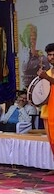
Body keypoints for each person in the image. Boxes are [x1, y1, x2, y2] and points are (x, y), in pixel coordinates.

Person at [37, 43, 54, 173]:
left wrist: (46, 78)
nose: (51, 57)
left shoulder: (47, 75)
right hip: (48, 111)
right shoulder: (47, 72)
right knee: (52, 141)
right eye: (49, 54)